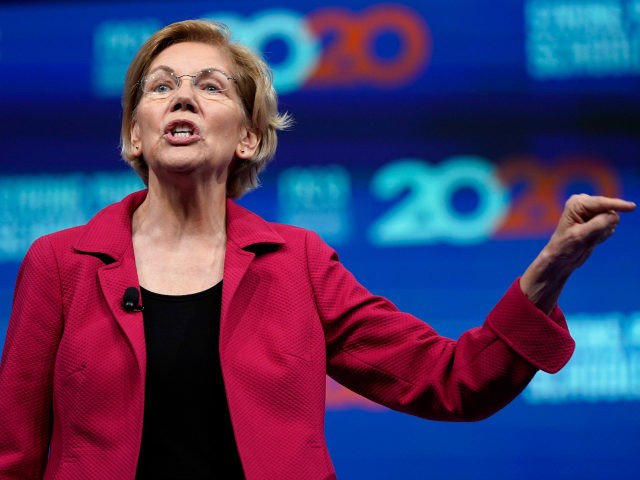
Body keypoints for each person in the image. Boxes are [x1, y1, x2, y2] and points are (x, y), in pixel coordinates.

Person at [0, 18, 635, 480]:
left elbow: (448, 381)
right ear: (134, 136)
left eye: (211, 86)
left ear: (249, 138)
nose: (182, 96)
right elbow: (16, 454)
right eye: (160, 86)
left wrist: (549, 270)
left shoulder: (297, 263)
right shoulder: (61, 265)